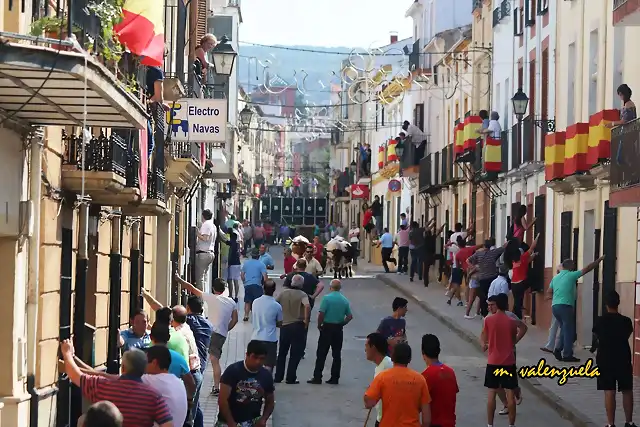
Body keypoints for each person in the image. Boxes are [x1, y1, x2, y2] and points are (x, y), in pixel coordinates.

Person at [60, 342, 174, 427]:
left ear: (123, 368)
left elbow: (75, 375)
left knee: (82, 420)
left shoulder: (103, 386)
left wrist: (67, 353)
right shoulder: (154, 396)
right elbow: (168, 425)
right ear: (144, 369)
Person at [176, 275, 238, 396]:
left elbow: (192, 289)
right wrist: (226, 329)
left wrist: (179, 280)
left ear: (214, 289)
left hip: (208, 330)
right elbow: (235, 319)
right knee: (215, 361)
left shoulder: (211, 297)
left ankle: (195, 380)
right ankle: (216, 387)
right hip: (221, 334)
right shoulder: (231, 302)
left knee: (199, 355)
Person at [545, 256, 605, 362]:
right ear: (571, 267)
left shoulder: (555, 277)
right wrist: (598, 261)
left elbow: (548, 292)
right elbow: (587, 269)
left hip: (555, 306)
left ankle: (558, 349)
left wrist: (555, 298)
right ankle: (567, 354)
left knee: (564, 328)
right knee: (569, 331)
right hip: (566, 306)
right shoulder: (571, 275)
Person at [481, 293, 526, 427]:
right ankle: (511, 424)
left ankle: (490, 424)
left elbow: (484, 335)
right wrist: (514, 341)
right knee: (510, 394)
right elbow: (524, 327)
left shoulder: (488, 320)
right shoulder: (511, 321)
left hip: (493, 361)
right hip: (508, 362)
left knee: (491, 393)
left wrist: (485, 345)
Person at [593, 291, 636, 427]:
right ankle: (629, 422)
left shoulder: (600, 321)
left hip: (605, 358)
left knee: (609, 391)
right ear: (618, 303)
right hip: (623, 357)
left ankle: (611, 424)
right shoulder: (626, 321)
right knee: (627, 390)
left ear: (606, 304)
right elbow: (628, 333)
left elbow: (597, 334)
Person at [364, 342, 431, 427]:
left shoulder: (383, 377)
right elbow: (426, 419)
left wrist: (368, 391)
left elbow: (369, 403)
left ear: (392, 358)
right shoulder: (420, 379)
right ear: (409, 359)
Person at [217, 340, 275, 427]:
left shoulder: (266, 375)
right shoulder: (233, 371)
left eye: (262, 358)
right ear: (247, 355)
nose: (258, 362)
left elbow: (270, 401)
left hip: (252, 421)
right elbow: (222, 400)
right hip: (228, 421)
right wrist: (231, 422)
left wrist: (263, 419)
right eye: (254, 357)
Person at [308, 279, 353, 385]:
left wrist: (319, 325)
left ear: (330, 287)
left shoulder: (327, 298)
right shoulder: (344, 300)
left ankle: (317, 377)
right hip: (338, 328)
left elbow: (321, 313)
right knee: (336, 354)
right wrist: (342, 323)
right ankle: (335, 377)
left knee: (321, 353)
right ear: (340, 288)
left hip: (327, 327)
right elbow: (350, 316)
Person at [275, 274, 311, 384]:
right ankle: (291, 377)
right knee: (295, 353)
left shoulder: (283, 293)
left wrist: (277, 319)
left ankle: (278, 376)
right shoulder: (302, 294)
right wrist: (306, 320)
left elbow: (275, 304)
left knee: (282, 352)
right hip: (298, 325)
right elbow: (307, 306)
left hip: (285, 325)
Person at [184, 295, 213, 427]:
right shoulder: (208, 325)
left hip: (189, 368)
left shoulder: (188, 322)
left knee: (190, 408)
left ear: (188, 308)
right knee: (196, 403)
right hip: (200, 366)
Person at [143, 345, 189, 426]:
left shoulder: (151, 380)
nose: (144, 366)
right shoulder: (178, 381)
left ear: (154, 362)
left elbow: (125, 379)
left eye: (145, 362)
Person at [421, 334, 458, 427]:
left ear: (423, 352)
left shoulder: (425, 375)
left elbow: (421, 405)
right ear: (439, 351)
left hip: (435, 423)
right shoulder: (450, 372)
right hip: (450, 423)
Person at [467, 240, 506, 317]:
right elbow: (503, 247)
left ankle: (484, 313)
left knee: (483, 296)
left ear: (484, 246)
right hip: (492, 278)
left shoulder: (478, 253)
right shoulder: (493, 252)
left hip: (482, 278)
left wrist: (474, 267)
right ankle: (492, 311)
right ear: (490, 246)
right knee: (491, 295)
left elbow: (468, 260)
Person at [251, 279, 283, 373]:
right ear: (274, 290)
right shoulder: (276, 306)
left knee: (255, 363)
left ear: (263, 288)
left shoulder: (255, 302)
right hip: (270, 339)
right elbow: (280, 323)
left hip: (256, 337)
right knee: (269, 364)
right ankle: (266, 382)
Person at [365, 332, 394, 427]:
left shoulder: (388, 365)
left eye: (366, 346)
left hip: (387, 420)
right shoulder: (380, 366)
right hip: (382, 417)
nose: (365, 350)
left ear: (373, 348)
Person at [511, 233, 540, 319]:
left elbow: (527, 262)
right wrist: (537, 237)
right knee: (518, 302)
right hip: (521, 283)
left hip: (513, 284)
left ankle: (515, 316)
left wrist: (534, 255)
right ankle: (518, 318)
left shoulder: (514, 262)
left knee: (517, 301)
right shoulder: (522, 258)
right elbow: (532, 248)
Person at [242, 248, 269, 321]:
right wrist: (264, 285)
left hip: (247, 285)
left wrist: (245, 282)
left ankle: (246, 315)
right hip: (257, 285)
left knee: (247, 301)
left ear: (251, 255)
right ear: (258, 255)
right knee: (258, 301)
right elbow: (265, 277)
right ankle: (258, 315)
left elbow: (242, 275)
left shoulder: (246, 263)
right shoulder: (261, 264)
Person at [194, 209, 216, 290]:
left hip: (203, 253)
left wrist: (197, 233)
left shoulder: (206, 224)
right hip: (210, 253)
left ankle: (201, 299)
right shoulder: (213, 226)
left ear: (203, 216)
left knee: (200, 278)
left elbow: (205, 238)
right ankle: (205, 296)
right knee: (204, 277)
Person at [221, 231, 242, 301]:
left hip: (232, 264)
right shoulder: (237, 244)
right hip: (237, 263)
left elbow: (225, 241)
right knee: (236, 280)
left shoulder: (232, 243)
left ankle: (230, 295)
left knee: (230, 280)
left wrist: (229, 263)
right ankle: (236, 296)